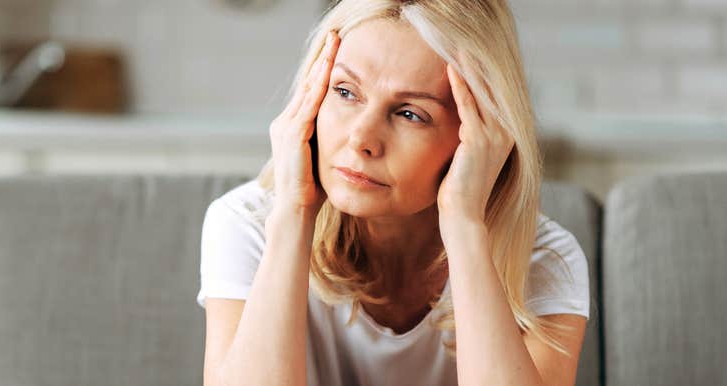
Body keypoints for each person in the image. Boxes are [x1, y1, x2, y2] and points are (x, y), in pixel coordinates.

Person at [198, 1, 590, 385]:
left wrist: (465, 224)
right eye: (346, 92)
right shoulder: (247, 225)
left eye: (410, 114)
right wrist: (293, 214)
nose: (362, 139)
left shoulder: (544, 261)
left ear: (481, 133)